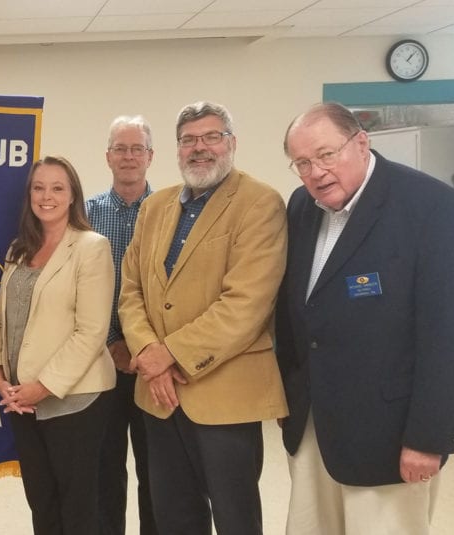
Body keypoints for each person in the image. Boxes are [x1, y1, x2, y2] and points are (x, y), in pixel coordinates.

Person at [275, 102, 454, 535]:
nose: (316, 172)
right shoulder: (302, 206)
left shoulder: (431, 206)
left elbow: (448, 335)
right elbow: (292, 309)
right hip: (314, 424)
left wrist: (426, 438)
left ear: (361, 143)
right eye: (302, 163)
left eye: (326, 154)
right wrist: (289, 393)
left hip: (390, 433)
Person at [118, 101, 288, 535]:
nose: (199, 148)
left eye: (212, 137)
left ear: (232, 142)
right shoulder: (154, 207)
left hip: (225, 395)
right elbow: (131, 290)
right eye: (189, 140)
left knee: (236, 520)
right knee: (173, 517)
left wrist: (169, 355)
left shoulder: (259, 203)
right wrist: (148, 352)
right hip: (158, 397)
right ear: (177, 148)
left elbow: (246, 304)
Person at [0, 155, 116, 534]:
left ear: (73, 195)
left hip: (75, 400)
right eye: (39, 188)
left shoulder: (92, 247)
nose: (47, 197)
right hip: (22, 401)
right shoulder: (18, 249)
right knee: (41, 503)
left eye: (58, 188)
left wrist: (41, 388)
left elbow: (91, 332)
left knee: (77, 509)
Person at [84, 115, 157, 535]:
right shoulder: (85, 215)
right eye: (121, 149)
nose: (129, 157)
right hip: (100, 365)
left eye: (137, 149)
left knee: (157, 472)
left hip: (155, 366)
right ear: (108, 156)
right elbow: (78, 290)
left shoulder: (171, 212)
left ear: (150, 156)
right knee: (103, 472)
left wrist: (143, 348)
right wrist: (112, 341)